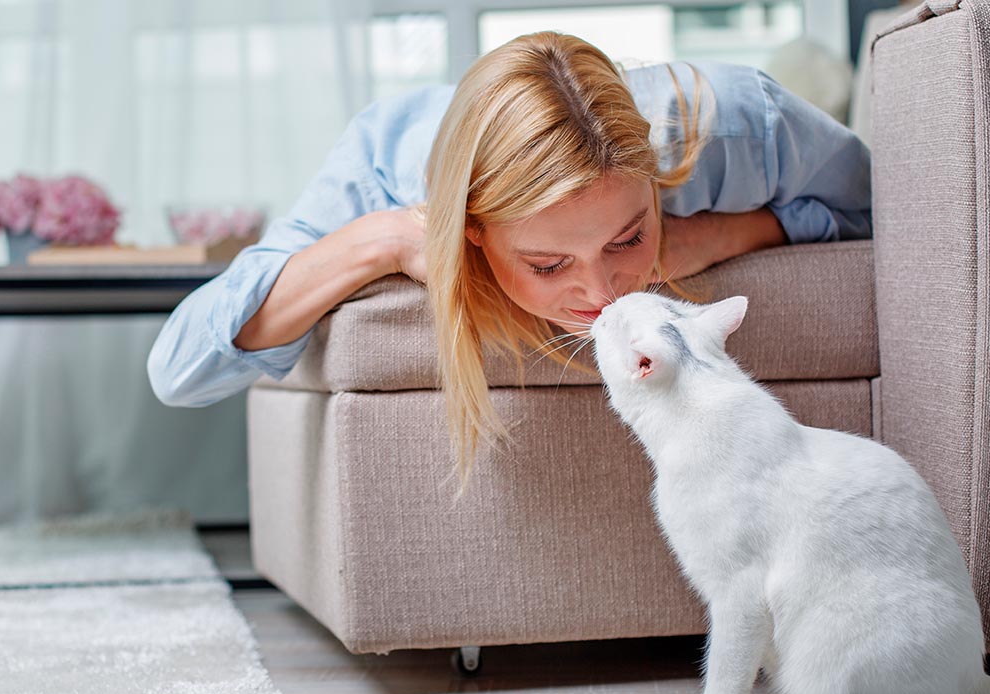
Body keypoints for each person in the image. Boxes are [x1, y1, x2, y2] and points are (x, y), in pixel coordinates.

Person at [147, 31, 872, 485]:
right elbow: (181, 369)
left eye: (626, 239)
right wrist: (391, 238)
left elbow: (883, 213)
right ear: (471, 230)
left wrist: (718, 234)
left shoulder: (741, 126)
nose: (600, 293)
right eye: (549, 264)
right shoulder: (385, 161)